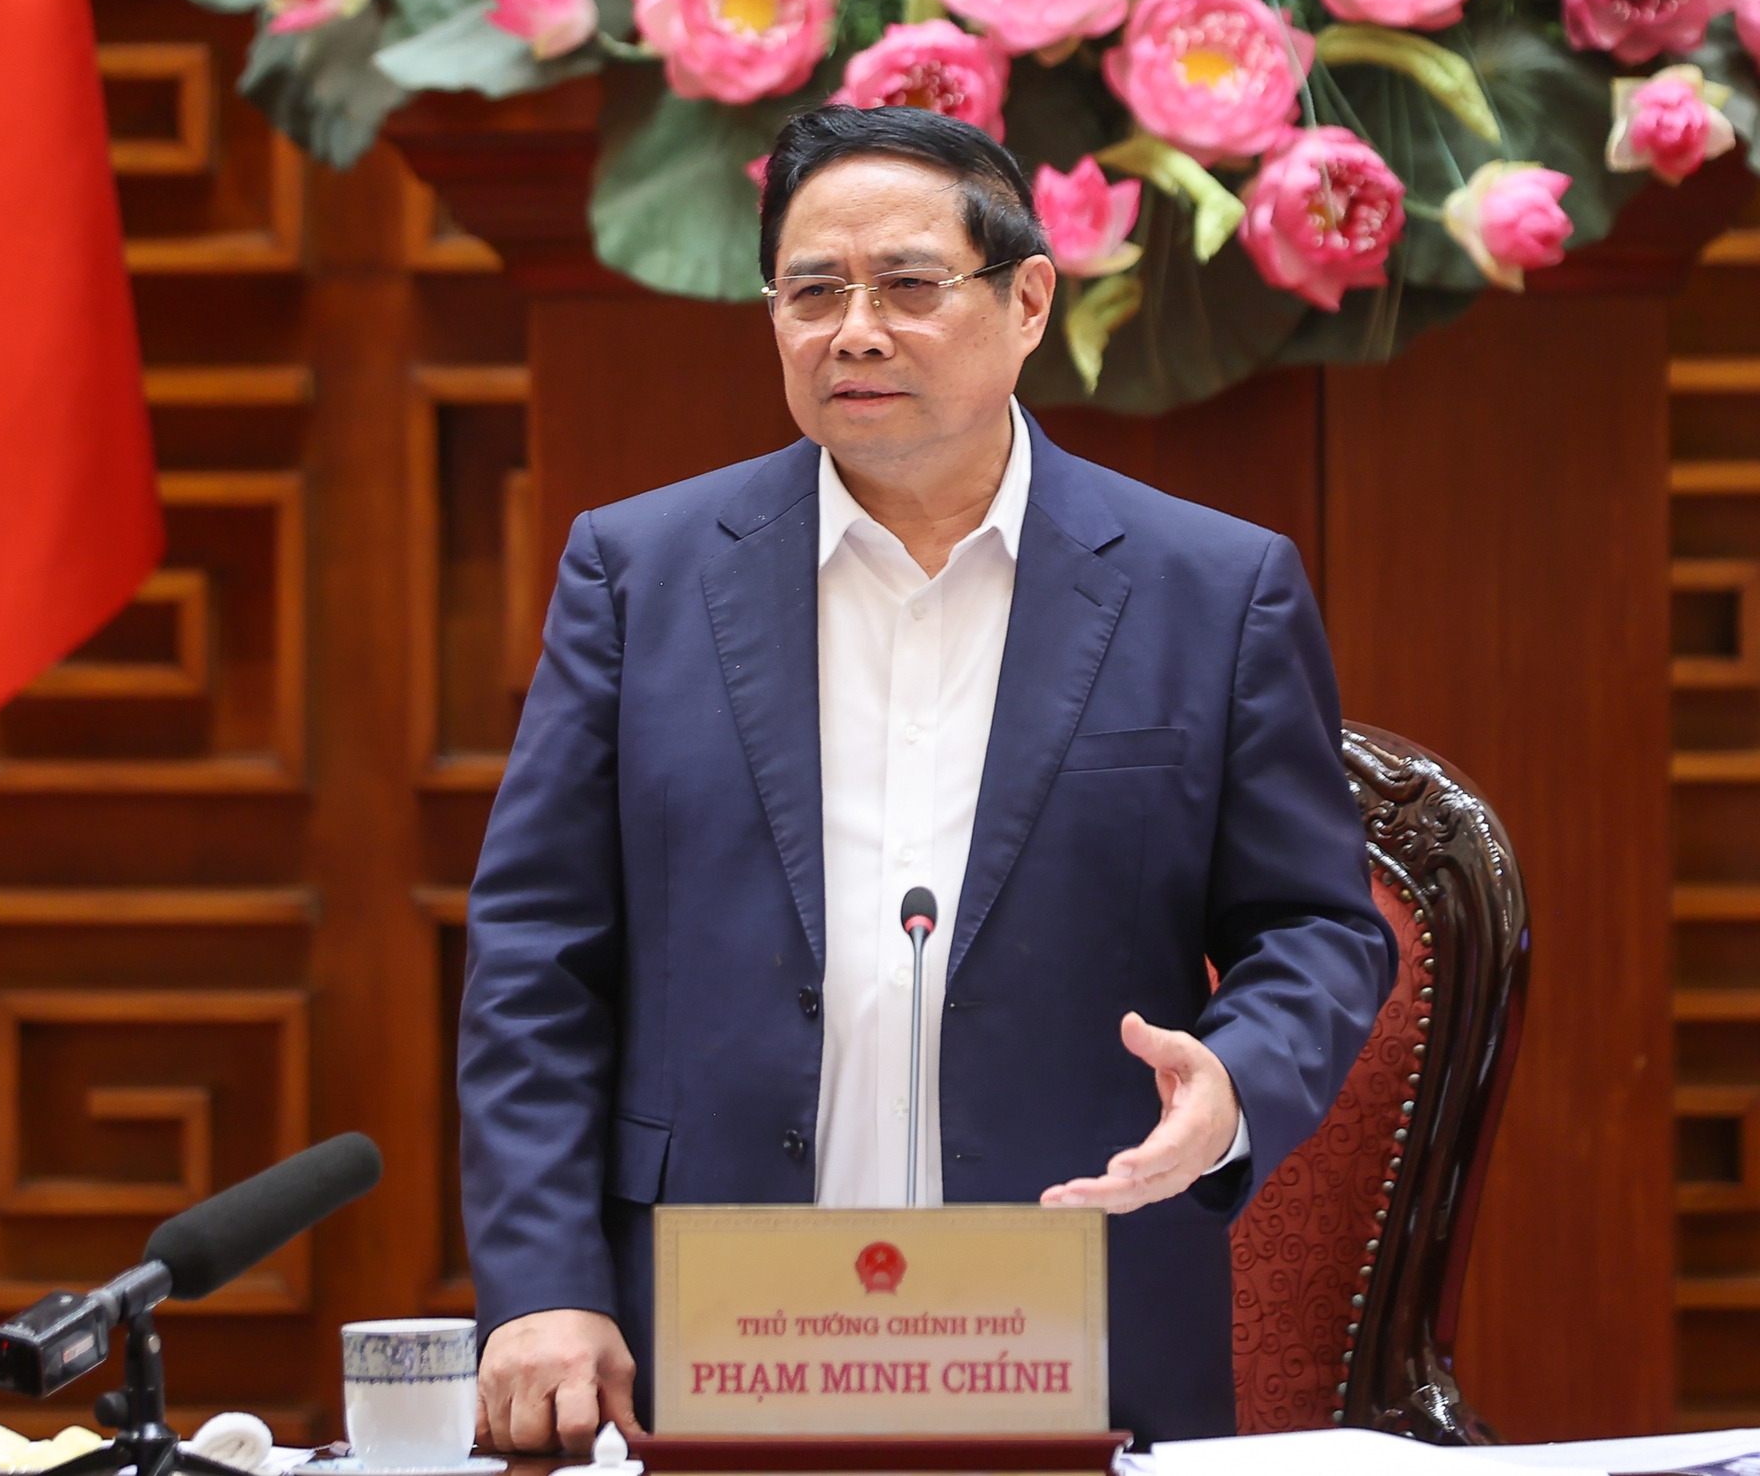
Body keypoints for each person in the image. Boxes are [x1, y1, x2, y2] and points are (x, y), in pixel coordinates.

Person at [457, 104, 1395, 1454]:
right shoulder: (639, 575)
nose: (855, 331)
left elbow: (1315, 927)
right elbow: (535, 956)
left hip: (1070, 1309)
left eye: (907, 284)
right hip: (712, 1323)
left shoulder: (1213, 588)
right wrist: (545, 1281)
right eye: (811, 292)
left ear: (1028, 302)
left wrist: (1235, 1082)